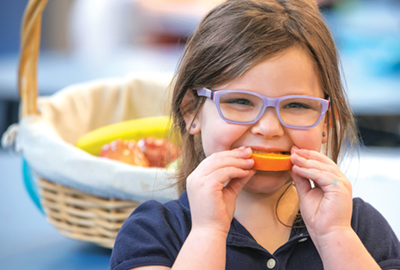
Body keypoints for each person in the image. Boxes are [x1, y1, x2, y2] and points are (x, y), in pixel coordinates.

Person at [110, 0, 400, 269]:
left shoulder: (360, 227)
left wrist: (334, 235)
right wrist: (208, 232)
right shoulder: (151, 233)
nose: (269, 129)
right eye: (240, 102)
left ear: (326, 123)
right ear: (192, 112)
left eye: (297, 105)